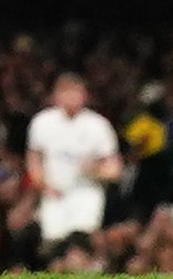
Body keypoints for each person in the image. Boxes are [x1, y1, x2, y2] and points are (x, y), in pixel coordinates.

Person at [26, 72, 122, 266]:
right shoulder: (42, 123)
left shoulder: (98, 126)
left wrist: (95, 170)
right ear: (55, 96)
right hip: (54, 193)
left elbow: (115, 168)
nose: (71, 97)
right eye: (65, 92)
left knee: (80, 244)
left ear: (84, 95)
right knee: (54, 248)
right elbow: (34, 158)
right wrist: (42, 184)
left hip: (85, 193)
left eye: (75, 92)